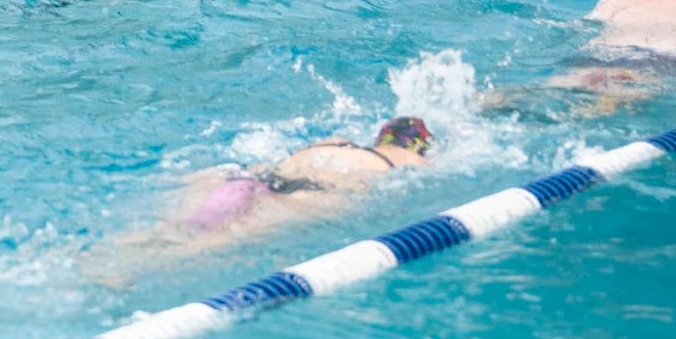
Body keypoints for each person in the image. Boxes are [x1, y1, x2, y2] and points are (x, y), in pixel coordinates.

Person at [89, 117, 435, 280]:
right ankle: (125, 271)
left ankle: (98, 254)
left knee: (184, 226)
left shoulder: (337, 141)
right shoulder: (408, 159)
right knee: (219, 242)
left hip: (249, 181)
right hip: (301, 196)